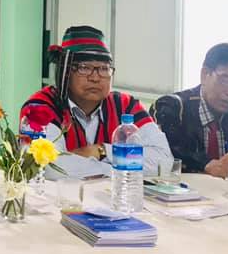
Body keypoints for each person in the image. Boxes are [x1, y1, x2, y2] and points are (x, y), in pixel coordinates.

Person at [20, 25, 172, 176]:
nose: (95, 77)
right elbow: (49, 169)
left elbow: (164, 161)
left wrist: (102, 151)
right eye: (84, 68)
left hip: (114, 191)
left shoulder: (125, 106)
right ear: (65, 73)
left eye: (104, 69)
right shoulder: (39, 108)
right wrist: (121, 169)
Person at [151, 43, 228, 179]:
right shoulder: (172, 106)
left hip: (227, 190)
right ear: (205, 74)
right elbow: (165, 152)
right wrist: (207, 164)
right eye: (226, 81)